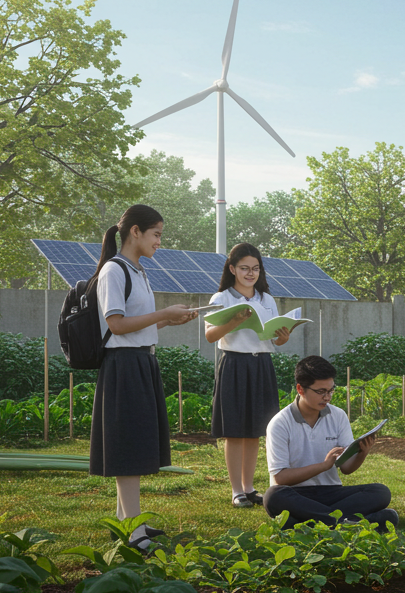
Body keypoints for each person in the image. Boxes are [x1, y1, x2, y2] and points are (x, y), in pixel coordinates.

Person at [89, 204, 198, 550]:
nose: (159, 242)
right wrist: (162, 312)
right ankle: (133, 534)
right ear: (135, 232)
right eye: (156, 234)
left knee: (134, 444)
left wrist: (170, 319)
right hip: (123, 365)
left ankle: (126, 524)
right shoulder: (114, 271)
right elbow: (116, 324)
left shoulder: (138, 271)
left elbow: (139, 322)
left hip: (141, 362)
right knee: (129, 449)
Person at [205, 243, 295, 509]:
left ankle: (249, 487)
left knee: (256, 430)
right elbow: (210, 335)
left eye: (255, 268)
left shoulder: (266, 299)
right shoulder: (221, 298)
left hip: (262, 366)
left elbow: (273, 340)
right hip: (234, 364)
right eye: (244, 268)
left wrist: (283, 338)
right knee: (234, 431)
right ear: (232, 269)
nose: (250, 273)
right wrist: (234, 322)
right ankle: (236, 491)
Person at [263, 355, 396, 530]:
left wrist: (362, 452)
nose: (327, 397)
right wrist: (323, 466)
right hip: (296, 494)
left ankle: (313, 523)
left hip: (332, 491)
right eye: (321, 391)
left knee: (380, 492)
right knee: (273, 496)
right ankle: (346, 524)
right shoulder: (280, 423)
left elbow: (347, 468)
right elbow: (280, 478)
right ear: (300, 389)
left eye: (331, 390)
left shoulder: (338, 415)